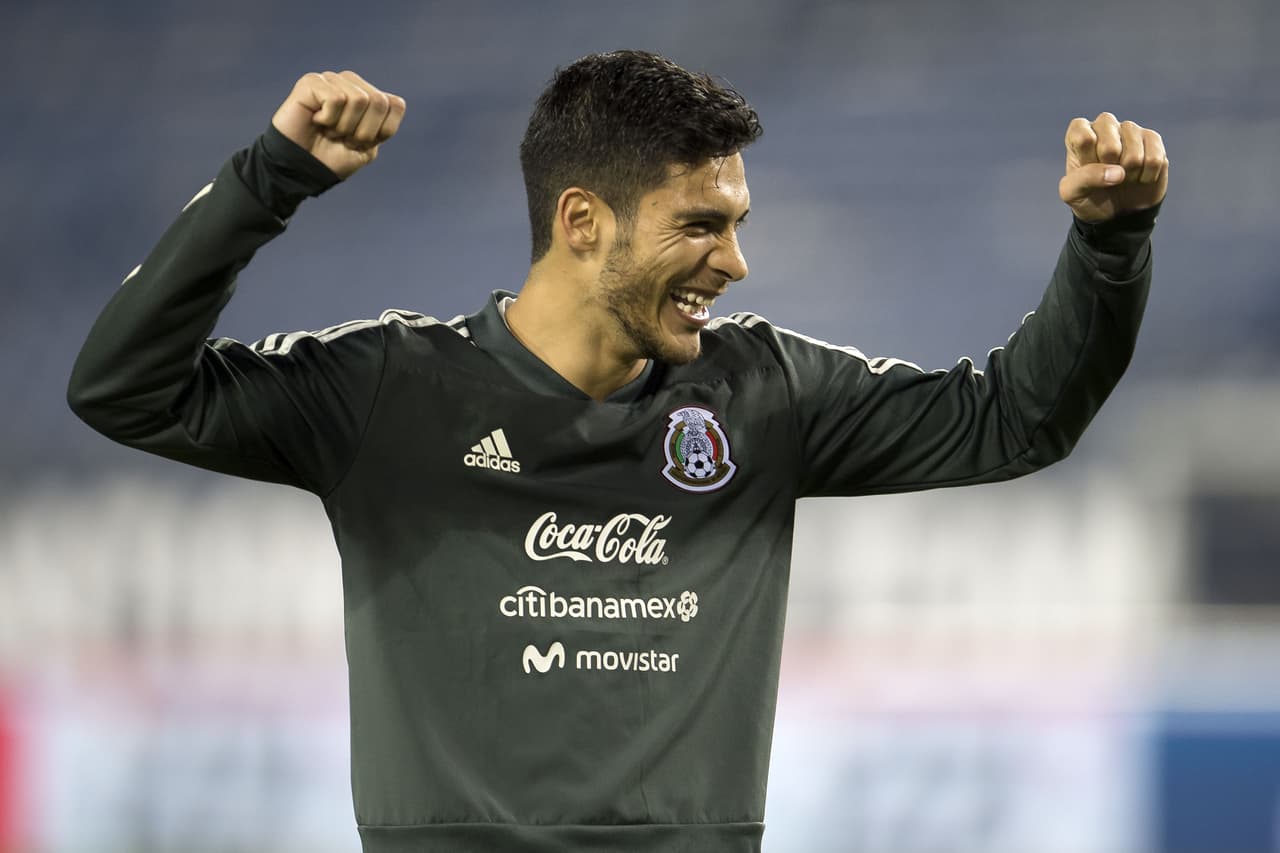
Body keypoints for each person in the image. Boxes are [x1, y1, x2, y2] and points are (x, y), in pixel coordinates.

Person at [67, 50, 1166, 853]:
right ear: (582, 221)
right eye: (700, 223)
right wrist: (269, 181)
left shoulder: (763, 392)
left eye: (734, 222)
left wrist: (1108, 245)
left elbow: (1014, 418)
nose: (733, 261)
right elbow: (124, 387)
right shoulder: (387, 390)